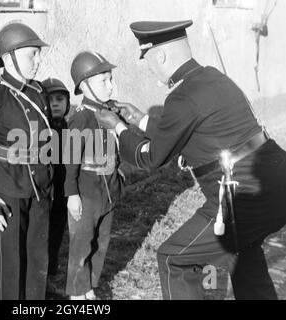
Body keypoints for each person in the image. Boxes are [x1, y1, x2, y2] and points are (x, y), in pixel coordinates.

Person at [94, 20, 286, 300]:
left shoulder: (183, 95)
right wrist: (141, 120)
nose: (148, 68)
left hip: (243, 197)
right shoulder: (211, 77)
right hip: (274, 182)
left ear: (160, 56)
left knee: (174, 259)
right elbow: (188, 130)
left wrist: (118, 128)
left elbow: (151, 157)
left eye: (147, 59)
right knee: (244, 258)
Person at [0, 22, 53, 300]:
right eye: (32, 54)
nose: (38, 60)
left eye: (38, 53)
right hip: (8, 191)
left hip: (40, 188)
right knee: (10, 266)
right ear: (9, 58)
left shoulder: (38, 92)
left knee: (37, 262)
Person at [64, 51, 123, 300]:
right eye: (103, 81)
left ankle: (89, 287)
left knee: (102, 240)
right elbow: (69, 161)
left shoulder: (109, 112)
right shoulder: (81, 117)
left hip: (108, 187)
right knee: (82, 243)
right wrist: (72, 194)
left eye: (111, 79)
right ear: (84, 86)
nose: (110, 86)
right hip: (86, 189)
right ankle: (77, 294)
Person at [42, 77, 70, 293]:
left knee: (57, 235)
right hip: (44, 192)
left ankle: (50, 278)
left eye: (60, 99)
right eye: (50, 100)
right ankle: (38, 281)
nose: (55, 104)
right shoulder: (39, 128)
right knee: (42, 236)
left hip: (63, 192)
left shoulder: (70, 127)